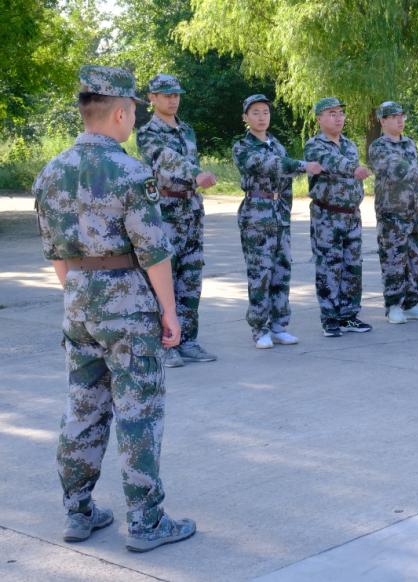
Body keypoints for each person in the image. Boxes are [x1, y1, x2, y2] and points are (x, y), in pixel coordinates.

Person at [33, 65, 195, 552]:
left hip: (78, 301)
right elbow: (154, 251)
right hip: (128, 307)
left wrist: (80, 294)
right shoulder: (130, 170)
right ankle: (146, 523)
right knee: (137, 413)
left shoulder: (50, 171)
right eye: (132, 114)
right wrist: (169, 311)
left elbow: (57, 255)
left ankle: (77, 511)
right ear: (120, 112)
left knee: (83, 408)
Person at [135, 74, 217, 368]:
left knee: (191, 278)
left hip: (191, 210)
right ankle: (166, 344)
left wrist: (195, 181)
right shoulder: (147, 133)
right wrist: (194, 172)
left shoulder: (187, 130)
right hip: (165, 212)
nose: (173, 99)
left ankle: (189, 340)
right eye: (166, 94)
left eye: (176, 94)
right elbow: (165, 158)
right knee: (164, 280)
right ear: (152, 98)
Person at [233, 94, 323, 348]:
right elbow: (270, 165)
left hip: (279, 215)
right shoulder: (243, 146)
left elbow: (286, 176)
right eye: (256, 113)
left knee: (281, 272)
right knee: (260, 273)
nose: (262, 117)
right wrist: (303, 165)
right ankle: (259, 328)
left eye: (265, 112)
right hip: (256, 215)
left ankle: (279, 325)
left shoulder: (276, 144)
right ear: (245, 118)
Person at [304, 97, 373, 336]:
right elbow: (331, 162)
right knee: (329, 268)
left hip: (351, 215)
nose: (338, 118)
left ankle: (349, 315)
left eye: (340, 113)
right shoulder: (314, 145)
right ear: (319, 118)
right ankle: (330, 319)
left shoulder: (350, 144)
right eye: (331, 113)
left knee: (353, 267)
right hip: (327, 216)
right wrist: (354, 169)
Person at [369, 101, 418, 324]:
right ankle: (393, 305)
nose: (400, 120)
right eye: (394, 116)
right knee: (393, 260)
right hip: (392, 213)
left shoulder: (409, 144)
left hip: (414, 210)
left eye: (402, 116)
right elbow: (394, 167)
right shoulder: (379, 147)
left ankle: (411, 303)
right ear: (383, 120)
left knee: (414, 259)